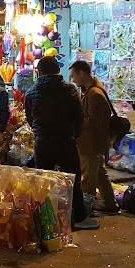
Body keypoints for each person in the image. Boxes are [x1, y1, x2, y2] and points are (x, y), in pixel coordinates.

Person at [25, 56, 99, 230]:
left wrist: (40, 132)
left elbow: (30, 118)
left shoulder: (31, 92)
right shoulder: (69, 90)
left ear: (39, 72)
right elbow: (78, 116)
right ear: (58, 70)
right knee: (72, 180)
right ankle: (78, 217)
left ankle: (46, 220)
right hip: (65, 140)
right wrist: (74, 133)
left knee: (43, 182)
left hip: (42, 142)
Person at [69, 60, 121, 214]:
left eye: (74, 76)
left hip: (91, 142)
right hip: (92, 142)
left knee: (88, 178)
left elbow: (95, 121)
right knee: (99, 173)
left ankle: (87, 208)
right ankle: (109, 203)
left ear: (82, 73)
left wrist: (75, 121)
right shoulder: (90, 90)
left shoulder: (95, 94)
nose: (73, 80)